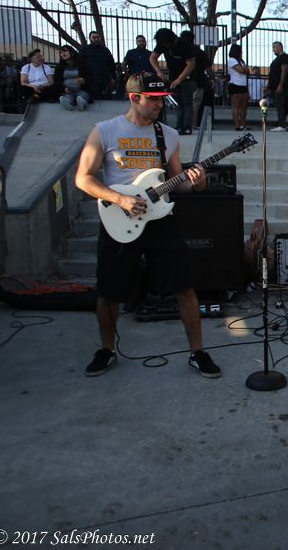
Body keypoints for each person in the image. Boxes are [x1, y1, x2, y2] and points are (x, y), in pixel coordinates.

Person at [74, 72, 221, 379]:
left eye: (162, 99)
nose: (160, 105)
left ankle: (197, 352)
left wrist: (196, 183)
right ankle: (107, 350)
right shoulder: (105, 130)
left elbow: (176, 182)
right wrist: (120, 199)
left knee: (184, 285)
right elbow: (83, 179)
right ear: (134, 98)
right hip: (119, 219)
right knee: (110, 290)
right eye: (153, 100)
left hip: (159, 219)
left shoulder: (168, 135)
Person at [150, 28, 196, 135]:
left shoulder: (184, 45)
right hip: (173, 77)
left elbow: (191, 65)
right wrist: (159, 72)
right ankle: (179, 126)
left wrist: (179, 79)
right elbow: (153, 58)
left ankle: (187, 127)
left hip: (187, 78)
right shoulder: (162, 44)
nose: (164, 46)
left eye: (165, 44)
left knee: (186, 103)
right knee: (178, 103)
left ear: (171, 40)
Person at [181, 31, 212, 130]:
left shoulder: (180, 51)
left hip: (182, 80)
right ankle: (193, 124)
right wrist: (211, 78)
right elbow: (208, 67)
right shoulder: (199, 51)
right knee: (195, 104)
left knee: (184, 103)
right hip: (198, 81)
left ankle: (183, 123)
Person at [79, 31, 117, 100]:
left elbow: (111, 64)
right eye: (94, 37)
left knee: (106, 100)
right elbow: (80, 65)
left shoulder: (105, 50)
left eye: (97, 37)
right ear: (90, 38)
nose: (96, 39)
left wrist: (113, 78)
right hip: (90, 80)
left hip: (104, 80)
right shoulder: (84, 50)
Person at [264, 42, 288, 132]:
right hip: (274, 86)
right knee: (277, 104)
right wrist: (268, 86)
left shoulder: (285, 57)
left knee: (280, 105)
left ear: (279, 47)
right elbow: (272, 73)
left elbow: (284, 71)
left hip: (280, 86)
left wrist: (280, 85)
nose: (273, 50)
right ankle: (280, 124)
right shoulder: (277, 59)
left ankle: (281, 125)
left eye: (274, 47)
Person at [55, 45, 90, 111]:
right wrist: (63, 88)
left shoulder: (82, 65)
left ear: (72, 53)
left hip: (81, 90)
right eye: (61, 52)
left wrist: (84, 80)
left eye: (65, 51)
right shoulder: (59, 67)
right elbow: (57, 80)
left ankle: (82, 104)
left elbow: (90, 77)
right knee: (68, 98)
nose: (63, 53)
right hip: (67, 91)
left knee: (81, 97)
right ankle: (68, 105)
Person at [227, 44, 250, 131]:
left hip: (243, 85)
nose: (242, 52)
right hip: (235, 85)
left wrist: (245, 70)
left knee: (244, 106)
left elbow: (247, 71)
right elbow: (241, 70)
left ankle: (243, 124)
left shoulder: (241, 61)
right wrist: (245, 70)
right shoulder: (232, 60)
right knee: (236, 106)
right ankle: (237, 125)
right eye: (240, 51)